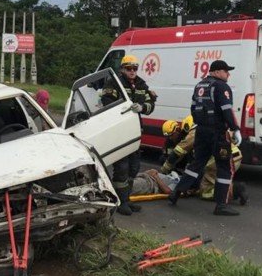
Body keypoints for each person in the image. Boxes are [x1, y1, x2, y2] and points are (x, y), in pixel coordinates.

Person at [168, 60, 242, 216]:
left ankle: (176, 193)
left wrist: (202, 123)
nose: (228, 74)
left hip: (201, 131)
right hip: (218, 132)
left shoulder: (200, 85)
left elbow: (193, 108)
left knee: (197, 164)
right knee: (224, 167)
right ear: (216, 72)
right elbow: (227, 110)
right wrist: (235, 129)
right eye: (225, 71)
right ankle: (221, 205)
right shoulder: (221, 86)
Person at [101, 54, 156, 216]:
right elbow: (106, 102)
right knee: (121, 169)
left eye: (135, 68)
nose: (132, 71)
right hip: (120, 131)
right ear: (122, 69)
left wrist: (142, 107)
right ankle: (120, 202)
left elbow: (150, 104)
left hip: (135, 131)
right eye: (129, 68)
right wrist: (123, 108)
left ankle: (127, 199)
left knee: (134, 168)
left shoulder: (141, 84)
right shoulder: (113, 83)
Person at [160, 117, 249, 205]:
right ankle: (232, 190)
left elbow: (178, 152)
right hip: (234, 156)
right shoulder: (211, 128)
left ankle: (236, 190)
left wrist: (164, 170)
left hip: (222, 159)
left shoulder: (195, 133)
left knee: (205, 191)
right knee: (218, 180)